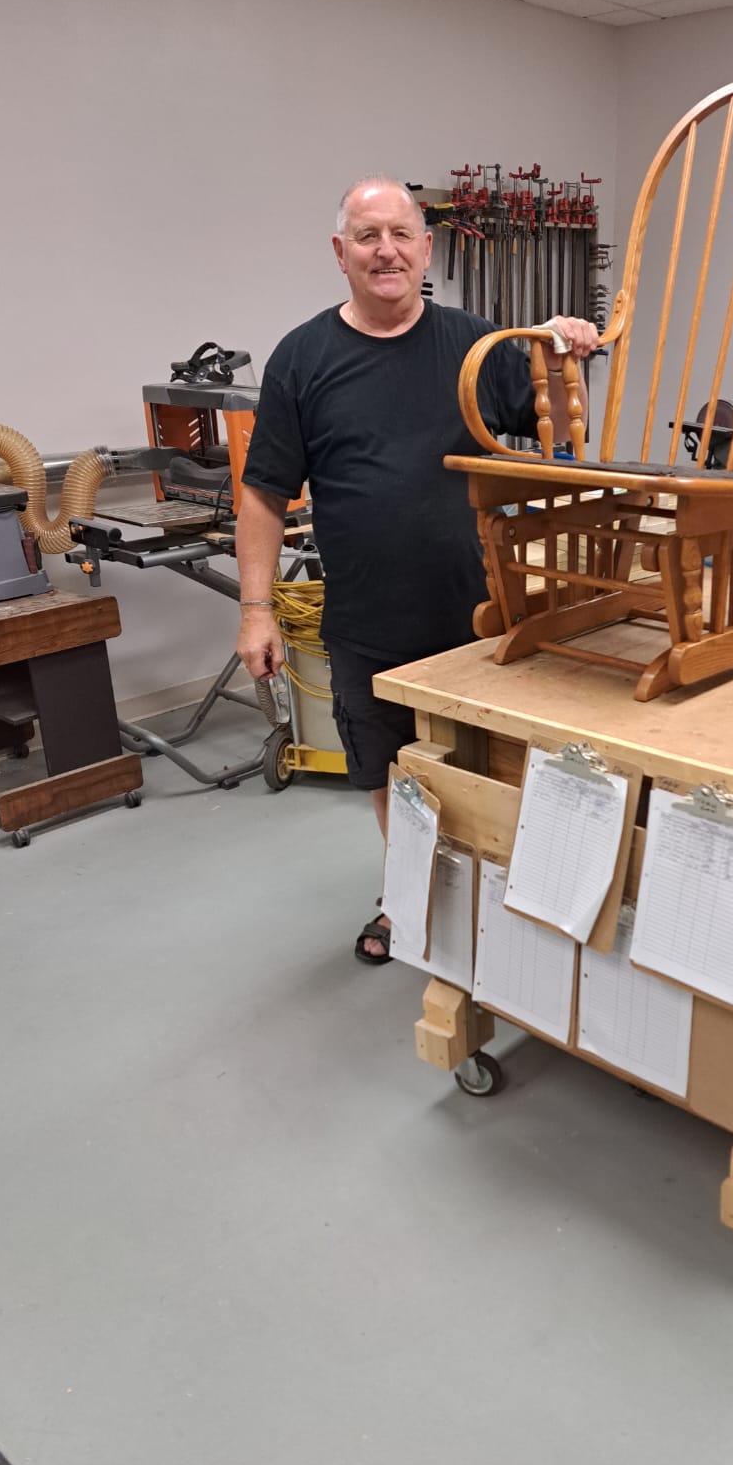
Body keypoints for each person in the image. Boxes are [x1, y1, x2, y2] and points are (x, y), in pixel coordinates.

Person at [236, 175, 600, 962]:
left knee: (499, 770)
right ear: (341, 253)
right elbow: (264, 496)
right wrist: (256, 610)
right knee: (390, 770)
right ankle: (410, 897)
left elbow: (560, 444)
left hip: (481, 614)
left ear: (426, 248)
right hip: (371, 619)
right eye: (367, 237)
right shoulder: (302, 358)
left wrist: (561, 355)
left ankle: (503, 902)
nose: (386, 251)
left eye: (400, 234)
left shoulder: (476, 343)